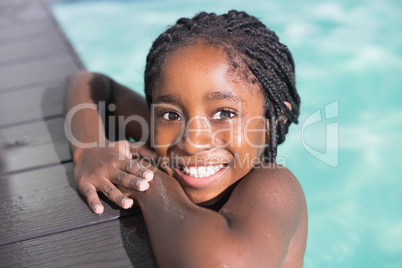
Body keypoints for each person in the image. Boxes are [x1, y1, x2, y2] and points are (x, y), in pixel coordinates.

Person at [65, 10, 307, 267]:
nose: (192, 142)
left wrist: (150, 183)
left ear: (276, 118)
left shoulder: (276, 184)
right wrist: (89, 149)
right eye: (170, 113)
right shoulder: (168, 136)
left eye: (224, 113)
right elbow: (92, 82)